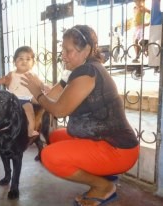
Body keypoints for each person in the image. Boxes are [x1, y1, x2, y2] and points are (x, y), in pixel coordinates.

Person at [21, 25, 139, 206]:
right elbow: (50, 97)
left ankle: (103, 186)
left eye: (69, 51)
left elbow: (59, 110)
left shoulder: (88, 72)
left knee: (50, 156)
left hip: (119, 150)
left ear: (87, 50)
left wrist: (38, 94)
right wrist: (38, 91)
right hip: (104, 140)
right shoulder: (79, 70)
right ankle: (101, 171)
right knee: (56, 137)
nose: (64, 55)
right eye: (63, 49)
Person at [0, 46, 49, 141]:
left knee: (30, 114)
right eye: (21, 58)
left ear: (33, 63)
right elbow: (4, 79)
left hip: (25, 100)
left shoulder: (32, 75)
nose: (24, 61)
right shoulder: (12, 74)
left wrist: (45, 86)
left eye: (28, 59)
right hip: (11, 99)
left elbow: (40, 83)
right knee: (2, 112)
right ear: (14, 62)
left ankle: (30, 130)